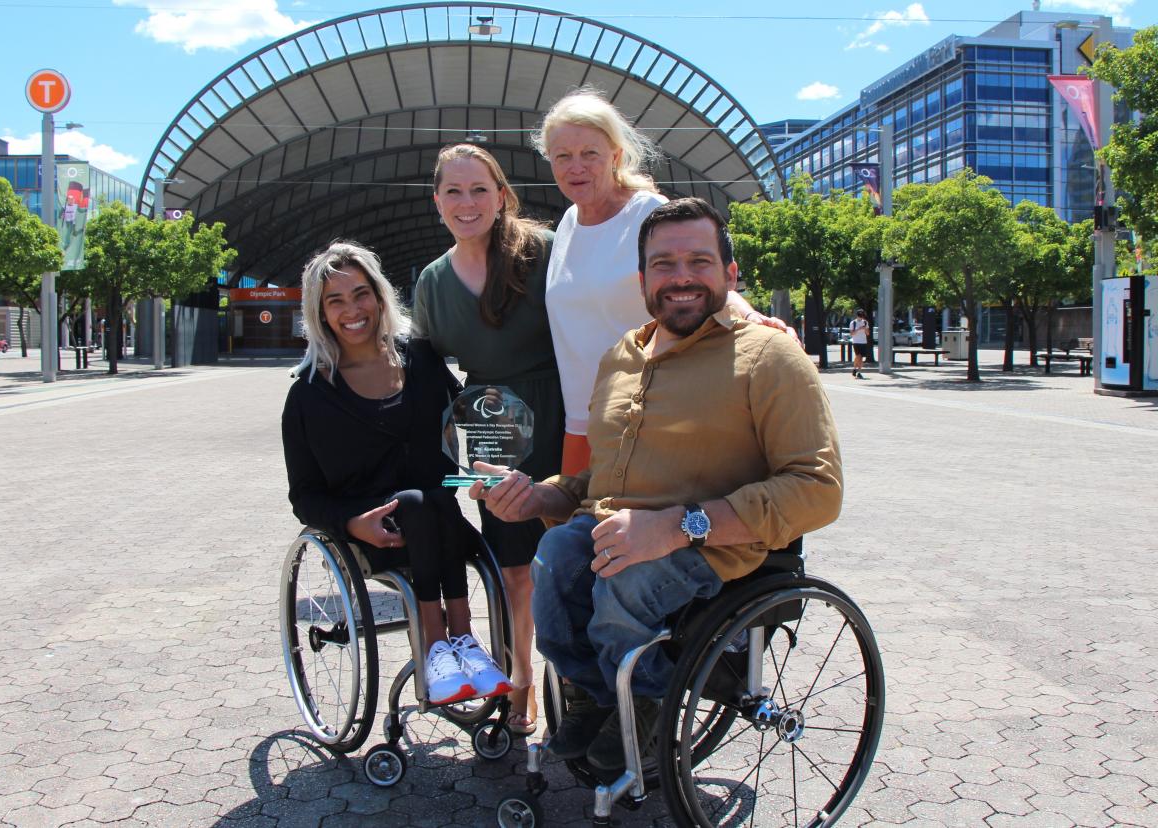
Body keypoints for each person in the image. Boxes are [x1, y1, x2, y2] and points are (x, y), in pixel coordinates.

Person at [473, 198, 843, 772]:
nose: (682, 277)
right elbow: (600, 478)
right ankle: (597, 697)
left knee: (625, 579)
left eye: (699, 260)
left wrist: (672, 527)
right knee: (551, 558)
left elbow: (817, 488)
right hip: (613, 528)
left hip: (715, 545)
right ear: (643, 280)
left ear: (730, 274)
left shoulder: (769, 356)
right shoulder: (621, 355)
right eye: (664, 264)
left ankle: (650, 705)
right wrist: (538, 496)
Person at [282, 240, 512, 707]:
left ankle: (459, 646)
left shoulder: (421, 360)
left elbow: (468, 415)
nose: (353, 309)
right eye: (336, 300)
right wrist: (350, 522)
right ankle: (442, 639)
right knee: (416, 503)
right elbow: (304, 496)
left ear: (381, 296)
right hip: (374, 535)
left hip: (444, 522)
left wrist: (499, 454)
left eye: (361, 293)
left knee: (433, 499)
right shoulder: (308, 396)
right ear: (319, 312)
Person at [532, 87, 794, 476]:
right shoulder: (568, 222)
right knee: (573, 529)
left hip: (650, 416)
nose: (576, 167)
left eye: (590, 154)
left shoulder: (648, 214)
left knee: (627, 531)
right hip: (582, 422)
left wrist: (750, 315)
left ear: (616, 156)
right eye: (563, 157)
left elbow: (699, 280)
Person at [412, 143, 566, 735]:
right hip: (491, 424)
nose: (467, 202)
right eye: (454, 191)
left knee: (578, 555)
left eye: (479, 189)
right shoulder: (432, 281)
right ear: (437, 203)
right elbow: (422, 369)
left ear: (501, 195)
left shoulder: (546, 252)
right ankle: (521, 681)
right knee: (514, 568)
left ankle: (578, 686)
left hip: (565, 407)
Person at [849, 309, 870, 378]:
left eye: (862, 315)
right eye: (860, 315)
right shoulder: (853, 323)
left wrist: (865, 329)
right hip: (856, 341)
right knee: (858, 356)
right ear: (857, 315)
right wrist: (859, 329)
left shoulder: (865, 322)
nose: (861, 317)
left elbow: (867, 333)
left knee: (861, 358)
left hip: (863, 341)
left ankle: (859, 372)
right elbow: (852, 334)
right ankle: (855, 369)